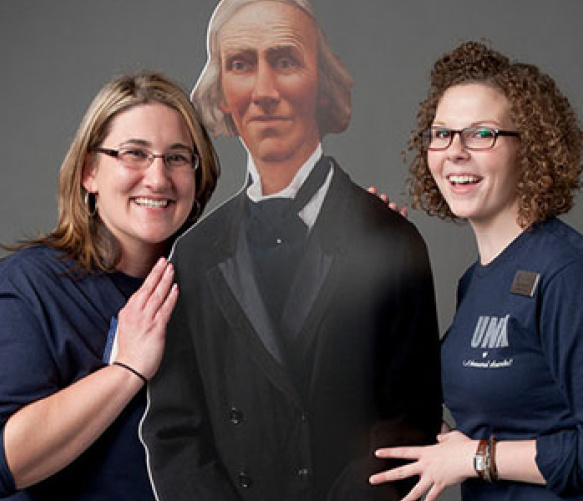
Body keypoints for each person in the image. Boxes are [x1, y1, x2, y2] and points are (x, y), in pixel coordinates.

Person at [141, 1, 443, 500]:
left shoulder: (392, 238)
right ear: (222, 93)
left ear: (322, 84)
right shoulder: (192, 256)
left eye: (285, 61)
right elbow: (175, 435)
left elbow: (408, 422)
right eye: (241, 65)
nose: (264, 91)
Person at [369, 41, 583, 500]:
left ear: (532, 150)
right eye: (441, 133)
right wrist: (374, 246)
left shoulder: (570, 275)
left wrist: (476, 458)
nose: (454, 152)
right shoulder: (477, 281)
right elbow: (487, 422)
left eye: (481, 134)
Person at [0, 72, 220, 500]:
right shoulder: (30, 289)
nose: (158, 177)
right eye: (134, 154)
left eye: (178, 157)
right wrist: (126, 370)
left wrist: (355, 255)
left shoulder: (216, 290)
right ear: (89, 172)